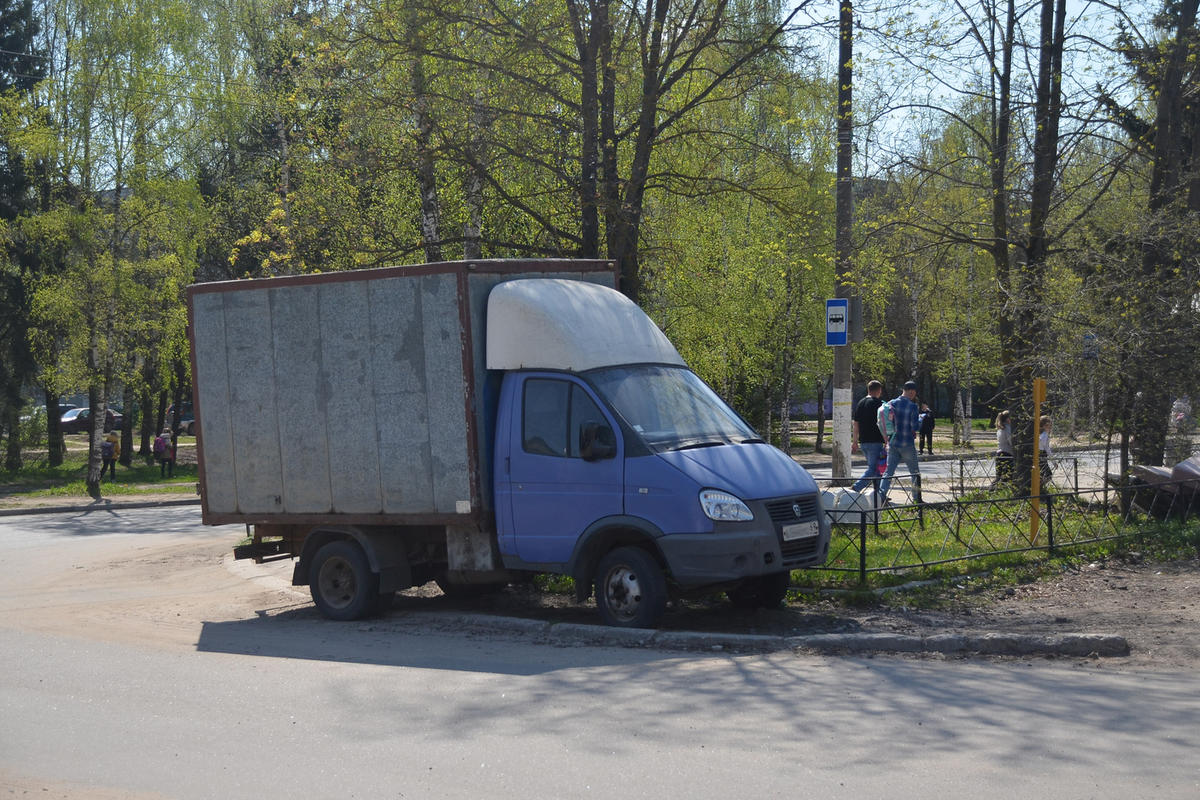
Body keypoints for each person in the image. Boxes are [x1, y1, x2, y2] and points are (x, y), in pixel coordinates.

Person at [878, 380, 922, 505]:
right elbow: (915, 426)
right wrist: (921, 420)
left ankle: (880, 497)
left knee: (888, 472)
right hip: (907, 443)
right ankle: (916, 499)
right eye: (914, 392)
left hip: (892, 443)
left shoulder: (891, 403)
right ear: (912, 391)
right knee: (915, 472)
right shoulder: (912, 406)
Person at [851, 380, 886, 492]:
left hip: (864, 442)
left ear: (868, 389)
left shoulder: (860, 403)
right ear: (879, 391)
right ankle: (856, 487)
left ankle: (879, 493)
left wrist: (855, 441)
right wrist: (887, 439)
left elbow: (856, 424)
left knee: (878, 469)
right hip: (875, 441)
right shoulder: (879, 404)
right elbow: (883, 424)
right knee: (874, 468)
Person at [994, 409, 1014, 484]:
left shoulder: (1000, 428)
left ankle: (992, 491)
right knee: (1007, 478)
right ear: (1008, 419)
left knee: (998, 478)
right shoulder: (1008, 428)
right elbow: (1011, 441)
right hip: (1007, 454)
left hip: (999, 454)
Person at [1038, 415, 1053, 486]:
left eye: (1050, 425)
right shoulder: (1044, 435)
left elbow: (1047, 448)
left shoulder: (1042, 434)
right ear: (1042, 426)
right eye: (1047, 425)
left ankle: (1040, 487)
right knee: (1048, 475)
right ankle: (1039, 487)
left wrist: (1053, 460)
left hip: (1041, 454)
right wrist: (1053, 461)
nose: (1049, 427)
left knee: (1042, 474)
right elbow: (1047, 448)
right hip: (1041, 454)